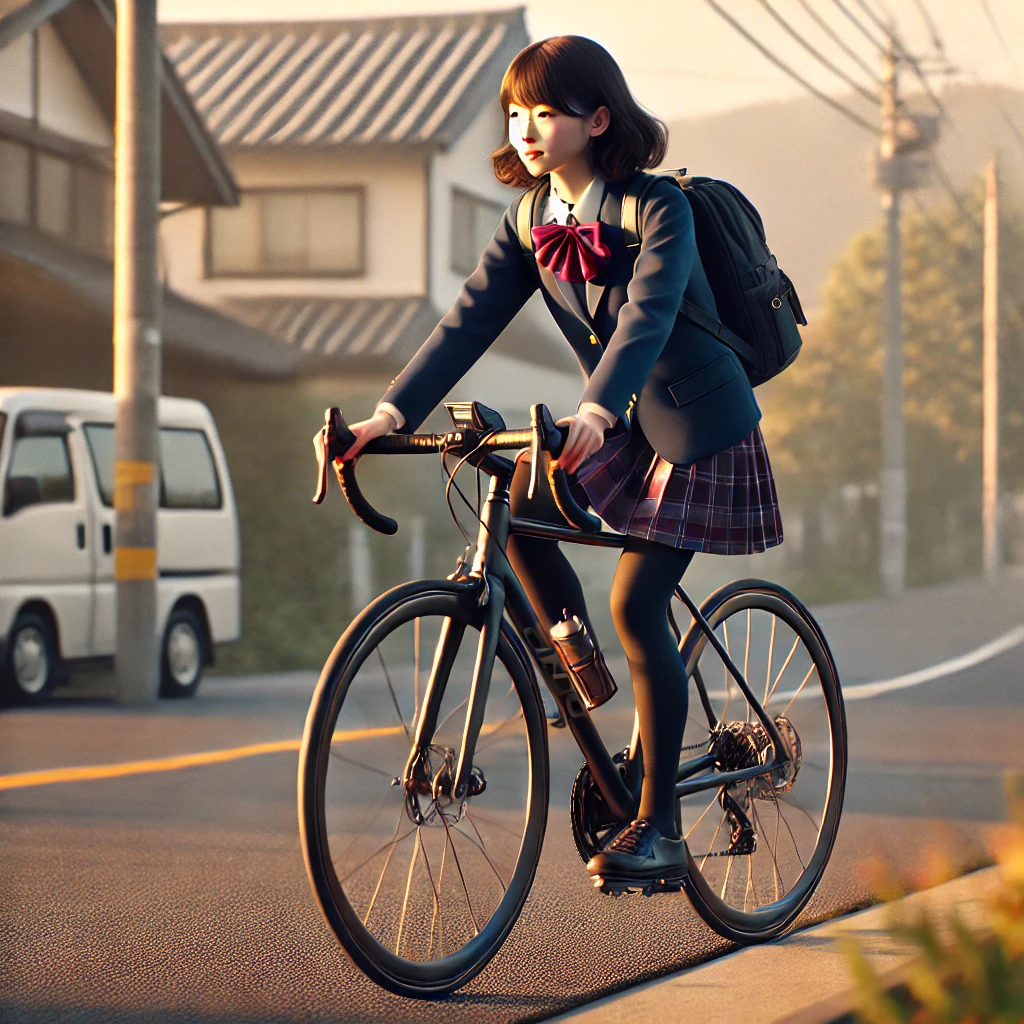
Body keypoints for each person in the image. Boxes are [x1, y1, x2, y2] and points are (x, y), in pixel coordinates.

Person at [336, 35, 783, 888]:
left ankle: (659, 829)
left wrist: (594, 408)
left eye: (546, 111)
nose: (527, 127)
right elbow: (463, 325)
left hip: (696, 426)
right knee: (510, 506)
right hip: (614, 425)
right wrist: (387, 414)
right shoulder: (529, 220)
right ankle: (573, 656)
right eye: (516, 112)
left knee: (640, 601)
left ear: (598, 118)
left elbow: (646, 316)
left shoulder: (659, 209)